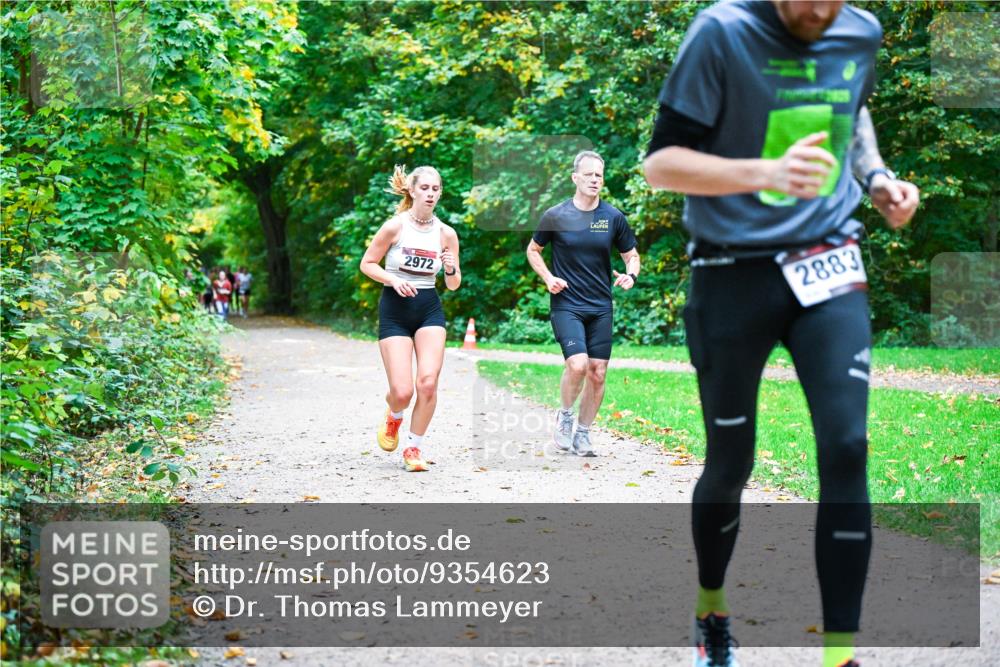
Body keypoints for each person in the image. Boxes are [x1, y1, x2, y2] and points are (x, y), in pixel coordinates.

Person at [643, 2, 920, 666]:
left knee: (848, 444)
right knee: (731, 460)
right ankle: (712, 607)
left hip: (828, 260)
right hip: (730, 270)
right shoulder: (722, 32)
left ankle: (841, 654)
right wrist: (764, 173)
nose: (817, 11)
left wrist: (876, 177)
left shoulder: (859, 31)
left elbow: (849, 110)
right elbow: (661, 163)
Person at [526, 151, 640, 457]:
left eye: (599, 175)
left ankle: (584, 434)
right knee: (577, 365)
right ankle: (565, 417)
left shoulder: (613, 217)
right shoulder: (556, 215)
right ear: (575, 178)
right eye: (588, 174)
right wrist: (549, 277)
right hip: (567, 304)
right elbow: (533, 250)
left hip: (601, 305)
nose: (594, 180)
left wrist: (631, 275)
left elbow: (631, 255)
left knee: (598, 371)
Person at [360, 165, 461, 472]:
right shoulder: (395, 227)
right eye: (425, 188)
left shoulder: (446, 233)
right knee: (402, 391)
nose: (431, 194)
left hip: (428, 307)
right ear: (413, 191)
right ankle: (394, 415)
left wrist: (450, 267)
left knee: (428, 383)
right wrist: (392, 280)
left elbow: (454, 284)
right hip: (395, 308)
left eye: (436, 189)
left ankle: (413, 447)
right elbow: (367, 264)